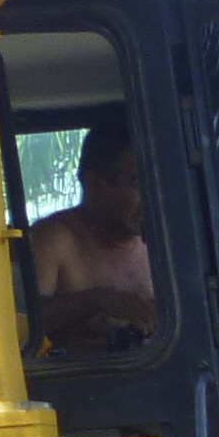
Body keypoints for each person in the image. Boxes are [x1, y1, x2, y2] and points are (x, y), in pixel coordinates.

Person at [28, 116, 155, 351]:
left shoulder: (164, 243)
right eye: (138, 184)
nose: (152, 198)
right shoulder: (55, 239)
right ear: (94, 184)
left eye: (157, 184)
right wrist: (97, 300)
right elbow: (22, 323)